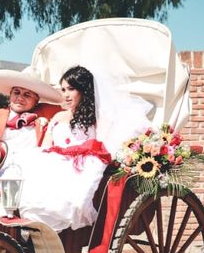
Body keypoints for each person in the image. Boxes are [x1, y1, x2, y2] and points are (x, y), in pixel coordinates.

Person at [15, 65, 151, 231]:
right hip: (54, 162)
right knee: (33, 171)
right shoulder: (58, 116)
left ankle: (57, 222)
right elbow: (46, 146)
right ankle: (36, 229)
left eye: (71, 89)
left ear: (83, 90)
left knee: (70, 194)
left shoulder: (98, 118)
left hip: (82, 163)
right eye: (63, 89)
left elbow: (108, 145)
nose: (66, 94)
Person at [0, 67, 63, 175]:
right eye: (16, 93)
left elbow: (71, 106)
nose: (20, 98)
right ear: (10, 95)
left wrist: (58, 89)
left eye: (27, 95)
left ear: (36, 100)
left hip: (33, 174)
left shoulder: (47, 112)